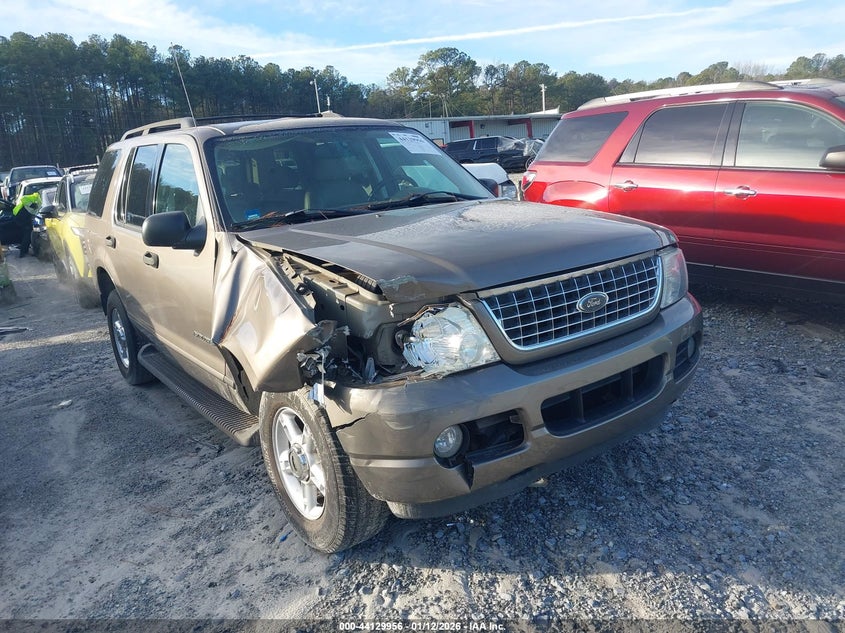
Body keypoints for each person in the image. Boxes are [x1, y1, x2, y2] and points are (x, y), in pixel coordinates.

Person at [12, 191, 41, 257]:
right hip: (22, 217)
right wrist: (31, 205)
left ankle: (24, 249)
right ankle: (23, 251)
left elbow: (35, 212)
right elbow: (23, 198)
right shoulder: (34, 198)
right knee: (27, 235)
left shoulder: (35, 199)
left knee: (26, 233)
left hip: (22, 217)